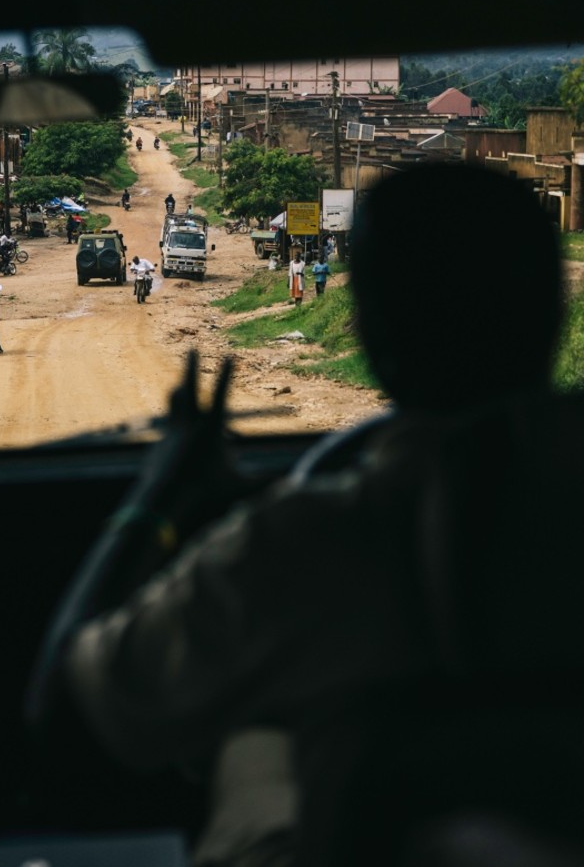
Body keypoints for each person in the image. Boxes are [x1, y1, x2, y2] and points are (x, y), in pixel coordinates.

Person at [29, 164, 566, 867]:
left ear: (369, 329)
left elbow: (68, 718)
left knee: (257, 745)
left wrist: (160, 496)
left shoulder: (308, 542)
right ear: (554, 314)